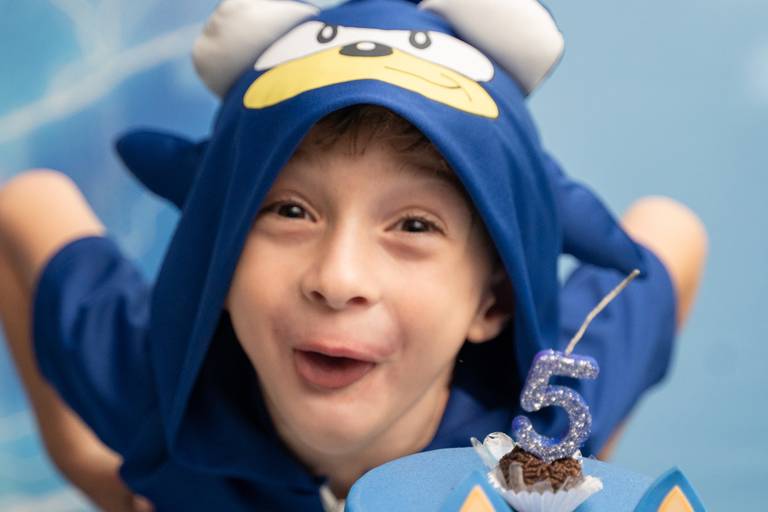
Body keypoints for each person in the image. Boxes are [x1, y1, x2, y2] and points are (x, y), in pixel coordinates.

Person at [0, 0, 707, 510]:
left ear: (493, 301)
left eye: (414, 226)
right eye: (290, 211)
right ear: (217, 259)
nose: (338, 280)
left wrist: (577, 471)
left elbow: (671, 235)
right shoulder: (158, 400)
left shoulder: (544, 428)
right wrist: (94, 472)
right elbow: (24, 206)